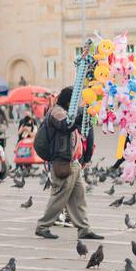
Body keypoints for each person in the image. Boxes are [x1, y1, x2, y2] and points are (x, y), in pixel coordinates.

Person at [33, 87, 103, 241]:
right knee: (59, 196)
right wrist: (80, 115)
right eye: (73, 99)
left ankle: (84, 229)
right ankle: (43, 226)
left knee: (79, 197)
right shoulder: (56, 112)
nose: (75, 102)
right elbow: (66, 125)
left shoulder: (67, 112)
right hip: (62, 160)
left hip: (74, 161)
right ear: (67, 100)